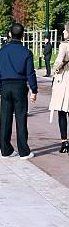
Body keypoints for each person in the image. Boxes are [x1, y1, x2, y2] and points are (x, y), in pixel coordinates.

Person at [0, 22, 38, 159]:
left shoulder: (0, 52)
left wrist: (0, 88)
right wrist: (34, 89)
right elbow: (30, 73)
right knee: (21, 118)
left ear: (9, 34)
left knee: (5, 118)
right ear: (23, 35)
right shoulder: (27, 52)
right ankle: (24, 151)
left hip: (5, 86)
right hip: (20, 86)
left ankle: (5, 149)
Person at [49, 22, 69, 153]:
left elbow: (58, 62)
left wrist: (55, 69)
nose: (63, 32)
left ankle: (64, 143)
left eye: (65, 30)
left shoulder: (64, 45)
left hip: (65, 80)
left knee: (62, 111)